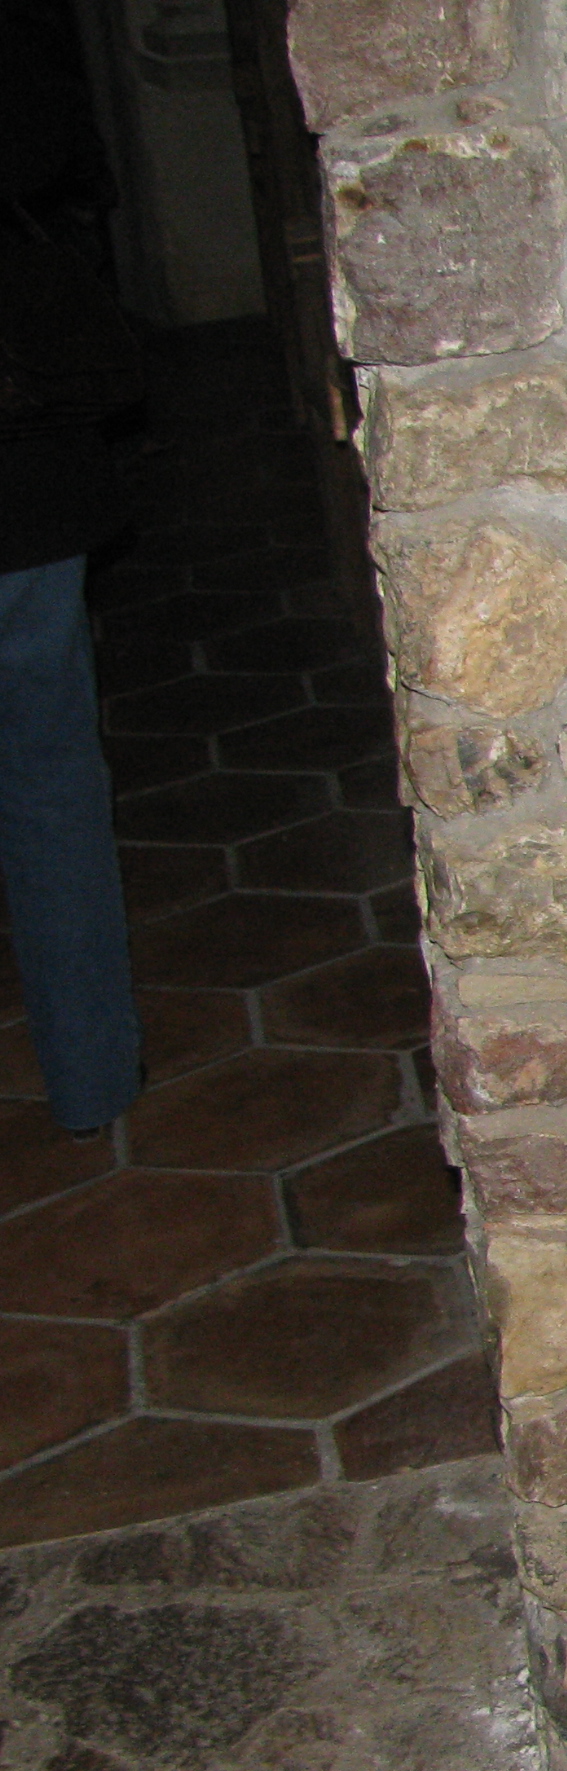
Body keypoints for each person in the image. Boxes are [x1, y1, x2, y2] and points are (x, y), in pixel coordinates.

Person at [0, 27, 142, 1137]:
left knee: (49, 774)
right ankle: (92, 1079)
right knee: (48, 779)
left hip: (24, 470)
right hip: (21, 475)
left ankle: (94, 1075)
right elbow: (58, 150)